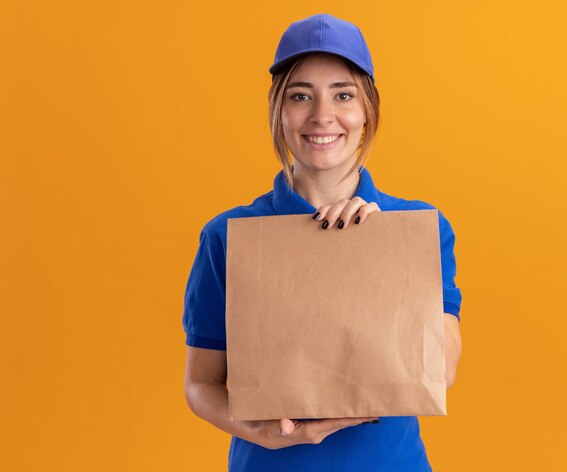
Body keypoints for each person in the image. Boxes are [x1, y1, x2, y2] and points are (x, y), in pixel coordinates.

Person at [182, 13, 462, 471]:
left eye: (343, 95)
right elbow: (201, 383)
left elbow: (443, 371)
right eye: (300, 96)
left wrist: (380, 250)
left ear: (367, 110)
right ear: (279, 110)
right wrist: (259, 433)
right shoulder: (229, 236)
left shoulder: (415, 227)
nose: (322, 116)